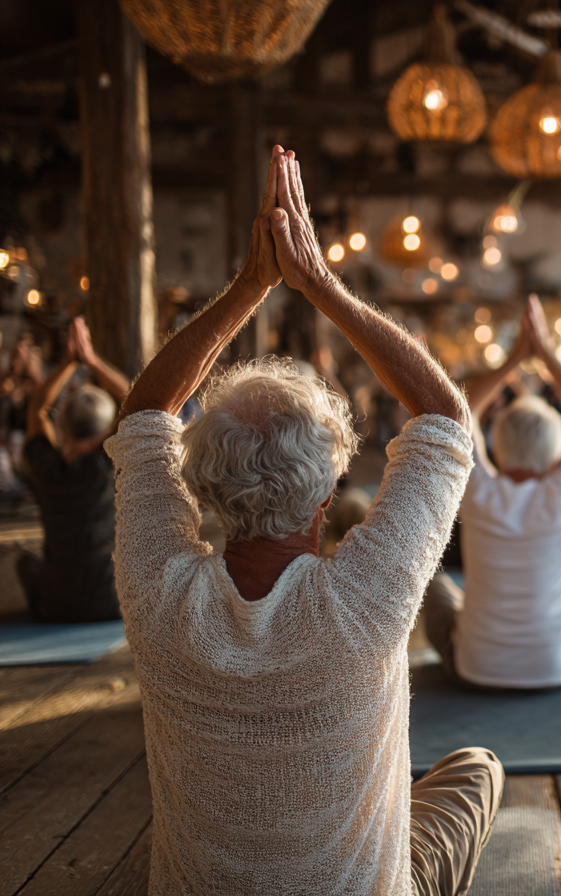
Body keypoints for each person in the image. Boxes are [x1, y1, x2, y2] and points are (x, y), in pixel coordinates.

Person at [104, 145, 500, 895]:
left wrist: (249, 287)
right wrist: (317, 282)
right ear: (325, 500)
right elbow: (448, 417)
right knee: (477, 770)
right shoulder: (363, 603)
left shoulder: (157, 595)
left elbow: (145, 416)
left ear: (203, 489)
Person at [422, 296, 561, 690]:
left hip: (474, 668)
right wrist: (547, 355)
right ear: (556, 454)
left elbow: (458, 416)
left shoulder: (479, 490)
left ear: (498, 449)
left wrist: (514, 359)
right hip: (556, 667)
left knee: (435, 585)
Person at [17, 317, 129, 622]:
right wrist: (91, 360)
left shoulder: (45, 468)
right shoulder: (109, 462)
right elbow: (133, 401)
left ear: (62, 429)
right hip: (114, 601)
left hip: (56, 605)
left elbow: (37, 408)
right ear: (106, 427)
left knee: (26, 561)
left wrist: (69, 362)